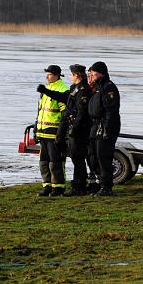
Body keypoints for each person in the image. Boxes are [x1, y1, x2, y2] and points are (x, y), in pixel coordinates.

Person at [38, 64, 93, 196]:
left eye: (71, 74)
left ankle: (79, 187)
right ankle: (77, 186)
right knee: (75, 158)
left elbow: (81, 113)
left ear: (76, 75)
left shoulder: (84, 90)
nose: (70, 77)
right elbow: (64, 99)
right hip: (60, 129)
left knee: (77, 159)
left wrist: (72, 129)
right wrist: (46, 91)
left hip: (77, 130)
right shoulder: (74, 88)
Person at [87, 61, 121, 197]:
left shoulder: (108, 87)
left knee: (103, 156)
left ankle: (106, 187)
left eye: (94, 74)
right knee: (92, 155)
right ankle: (99, 183)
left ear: (101, 73)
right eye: (91, 74)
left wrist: (107, 128)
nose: (92, 76)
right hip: (95, 125)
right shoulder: (97, 87)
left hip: (106, 125)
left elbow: (111, 111)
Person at [35, 65, 70, 197]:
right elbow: (40, 111)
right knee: (44, 161)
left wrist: (61, 134)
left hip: (54, 132)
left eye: (49, 74)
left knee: (56, 161)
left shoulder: (63, 89)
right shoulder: (46, 89)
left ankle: (58, 187)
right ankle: (47, 186)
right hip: (43, 132)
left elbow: (65, 114)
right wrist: (36, 128)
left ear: (56, 75)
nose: (47, 77)